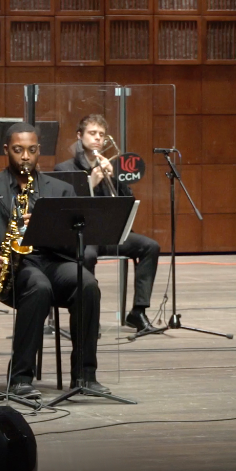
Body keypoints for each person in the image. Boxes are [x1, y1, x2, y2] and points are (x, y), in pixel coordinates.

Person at [0, 122, 104, 399]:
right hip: (9, 268)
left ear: (39, 151)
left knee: (87, 284)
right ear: (6, 151)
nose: (25, 157)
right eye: (18, 150)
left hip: (52, 259)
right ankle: (20, 377)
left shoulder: (60, 190)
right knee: (38, 286)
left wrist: (46, 226)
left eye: (31, 150)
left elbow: (78, 242)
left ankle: (85, 375)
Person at [54, 114, 160, 332]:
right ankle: (89, 315)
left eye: (101, 135)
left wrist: (115, 178)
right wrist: (89, 184)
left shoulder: (109, 167)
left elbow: (126, 204)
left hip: (108, 233)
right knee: (88, 255)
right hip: (83, 236)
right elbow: (65, 210)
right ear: (79, 136)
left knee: (150, 246)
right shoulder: (64, 169)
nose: (97, 139)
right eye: (92, 133)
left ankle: (138, 312)